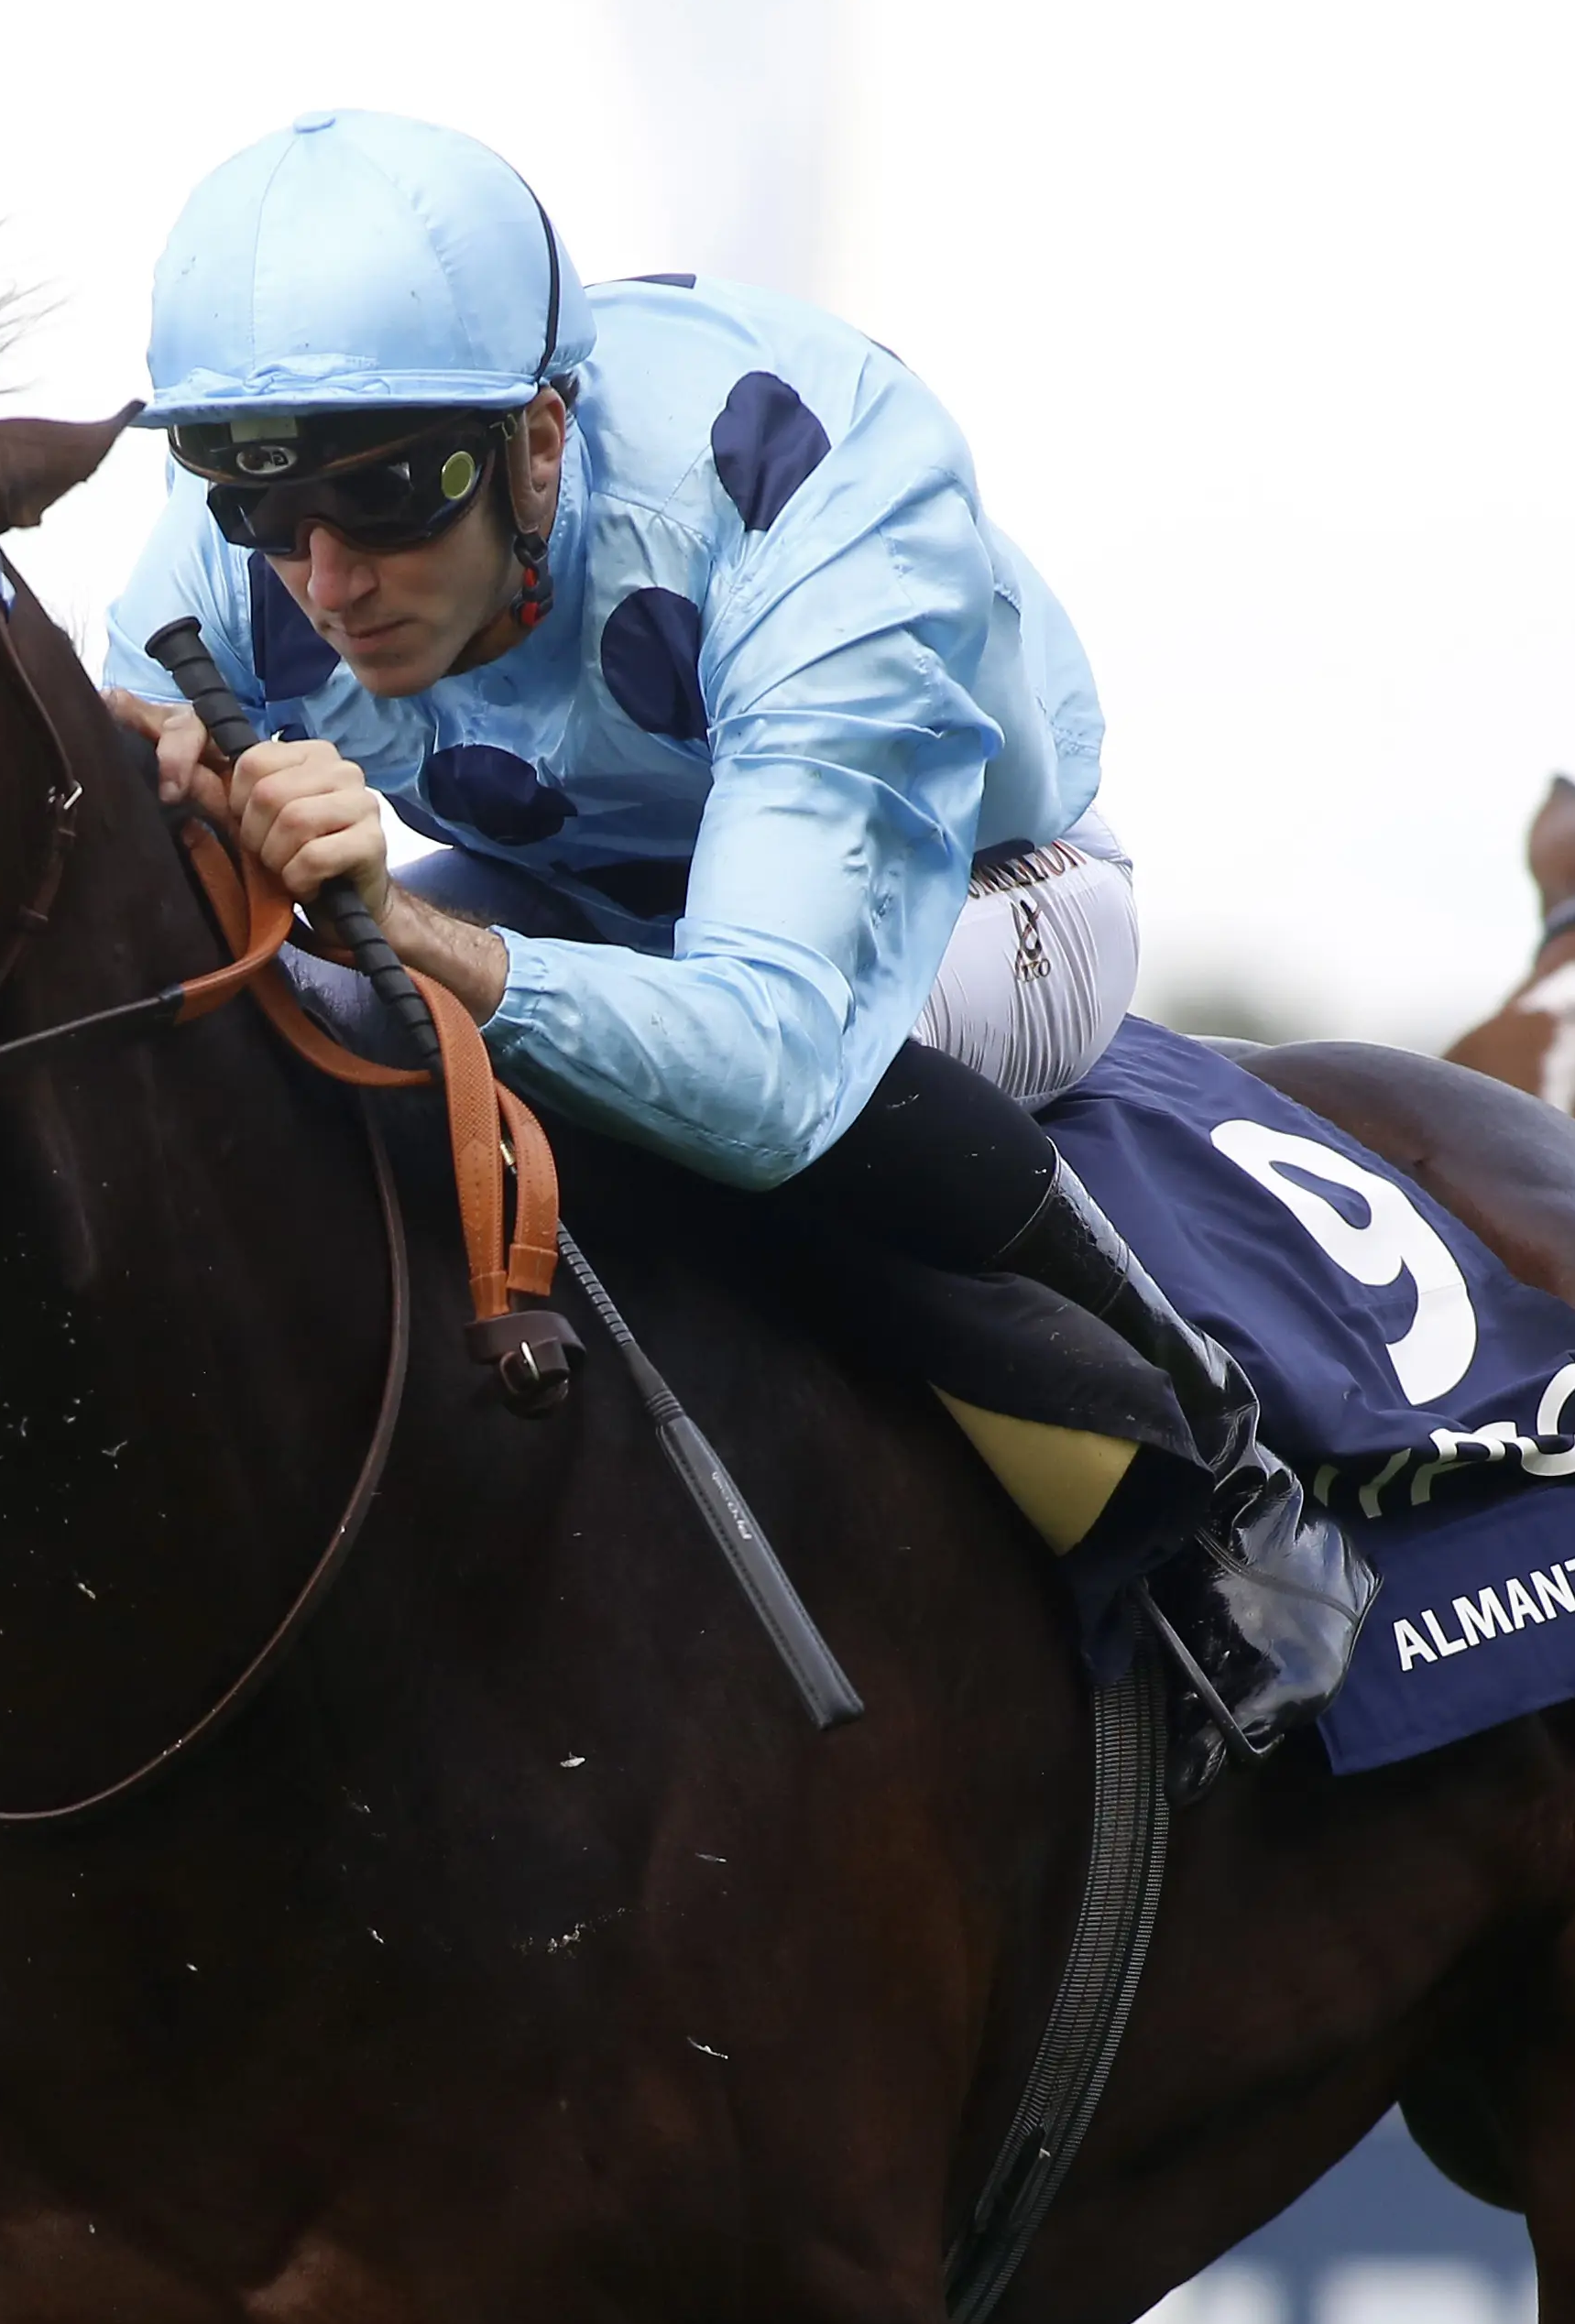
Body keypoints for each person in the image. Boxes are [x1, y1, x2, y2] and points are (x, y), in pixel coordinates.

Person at [97, 110, 1372, 1751]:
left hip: (972, 901)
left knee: (709, 1124)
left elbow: (768, 1068)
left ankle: (1218, 1487)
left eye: (392, 497)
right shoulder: (251, 544)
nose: (326, 578)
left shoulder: (811, 478)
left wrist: (412, 928)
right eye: (263, 507)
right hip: (590, 906)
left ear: (538, 441)